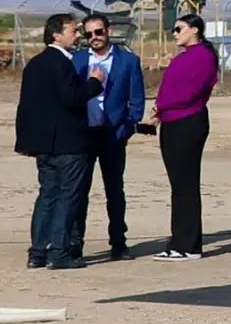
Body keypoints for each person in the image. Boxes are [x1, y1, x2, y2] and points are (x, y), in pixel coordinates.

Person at [14, 13, 105, 270]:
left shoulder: (35, 64)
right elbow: (72, 98)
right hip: (68, 144)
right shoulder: (61, 63)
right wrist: (95, 83)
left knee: (47, 196)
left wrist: (28, 141)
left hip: (44, 144)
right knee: (67, 197)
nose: (78, 35)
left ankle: (37, 252)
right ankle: (59, 252)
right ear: (56, 34)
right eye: (73, 30)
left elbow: (27, 107)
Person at [68, 13, 145, 261]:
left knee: (115, 191)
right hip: (83, 134)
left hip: (113, 134)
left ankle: (119, 243)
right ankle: (74, 243)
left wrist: (129, 126)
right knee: (79, 191)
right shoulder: (76, 61)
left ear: (108, 31)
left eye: (98, 32)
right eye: (89, 34)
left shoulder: (128, 61)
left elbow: (137, 98)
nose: (94, 38)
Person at [145, 13, 219, 261]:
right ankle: (180, 241)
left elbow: (189, 92)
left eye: (179, 29)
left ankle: (187, 245)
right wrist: (160, 111)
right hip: (173, 121)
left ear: (195, 30)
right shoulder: (186, 57)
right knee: (179, 185)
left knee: (185, 185)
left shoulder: (203, 57)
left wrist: (161, 106)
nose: (175, 33)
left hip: (188, 121)